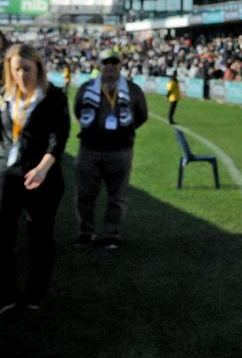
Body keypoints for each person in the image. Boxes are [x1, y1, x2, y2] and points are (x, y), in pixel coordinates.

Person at [0, 44, 69, 314]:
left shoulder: (53, 96)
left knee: (40, 237)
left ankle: (35, 294)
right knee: (3, 238)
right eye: (16, 69)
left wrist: (43, 168)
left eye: (27, 69)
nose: (21, 75)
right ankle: (6, 294)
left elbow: (58, 137)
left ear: (38, 68)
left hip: (43, 176)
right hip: (7, 176)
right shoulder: (4, 96)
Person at [73, 49, 147, 249]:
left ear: (121, 65)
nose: (110, 66)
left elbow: (142, 115)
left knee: (117, 197)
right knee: (85, 194)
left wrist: (122, 132)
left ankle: (111, 234)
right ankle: (86, 232)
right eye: (106, 62)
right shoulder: (86, 88)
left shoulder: (133, 90)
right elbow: (78, 111)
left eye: (115, 62)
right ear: (99, 65)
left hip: (120, 151)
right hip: (90, 149)